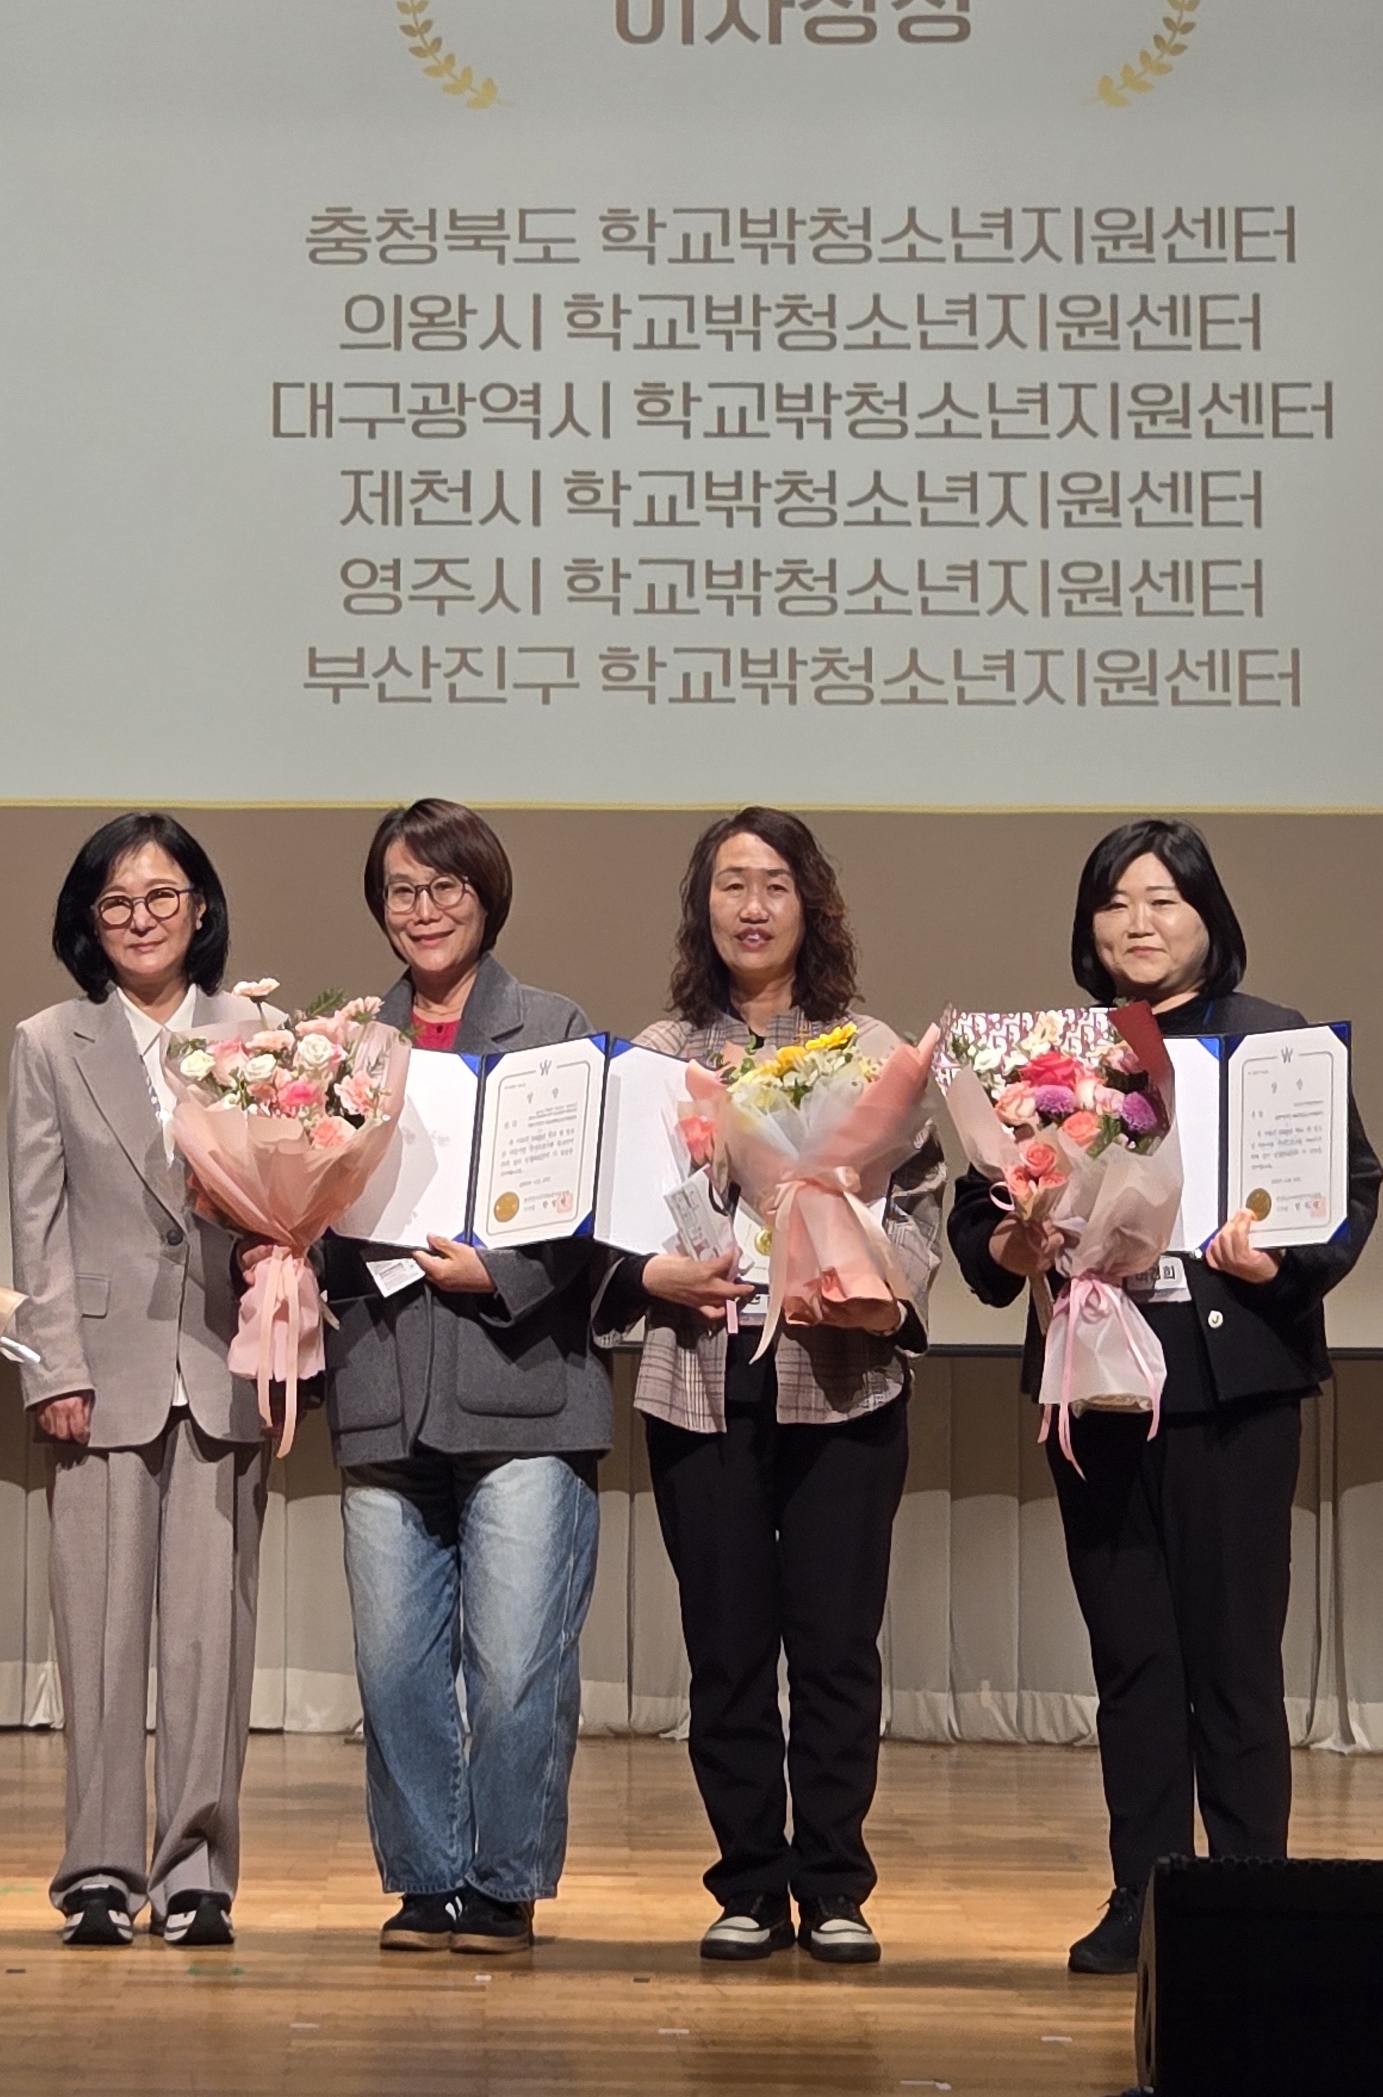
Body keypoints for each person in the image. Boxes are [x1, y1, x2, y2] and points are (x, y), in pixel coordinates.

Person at [949, 816, 1383, 1976]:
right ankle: (1142, 1895)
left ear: (1207, 916)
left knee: (1234, 1660)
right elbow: (977, 1213)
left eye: (1161, 901)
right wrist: (1011, 1243)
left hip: (1234, 1386)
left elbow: (1350, 1188)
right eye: (1114, 903)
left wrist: (1279, 1263)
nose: (1136, 923)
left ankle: (1248, 1899)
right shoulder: (1050, 1056)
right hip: (1093, 1386)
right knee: (1133, 1662)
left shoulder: (1274, 1041)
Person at [596, 808, 941, 1967]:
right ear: (702, 908)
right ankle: (748, 1879)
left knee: (837, 1645)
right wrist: (654, 1274)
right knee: (727, 1647)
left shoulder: (866, 1047)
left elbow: (922, 1202)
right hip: (701, 1377)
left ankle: (834, 1882)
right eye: (731, 884)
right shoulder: (656, 1057)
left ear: (811, 904)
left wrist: (878, 1285)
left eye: (774, 884)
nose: (751, 906)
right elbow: (613, 1220)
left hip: (842, 1377)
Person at [318, 799, 609, 1959]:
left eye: (446, 887)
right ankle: (424, 1876)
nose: (424, 909)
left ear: (486, 898)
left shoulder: (554, 1028)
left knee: (515, 1663)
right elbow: (312, 1202)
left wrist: (507, 1271)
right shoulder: (344, 1044)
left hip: (523, 1384)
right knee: (393, 1663)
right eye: (402, 889)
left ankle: (502, 1880)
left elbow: (595, 1206)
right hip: (383, 1383)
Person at [5, 812, 268, 1949]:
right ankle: (101, 1872)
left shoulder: (262, 1034)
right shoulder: (47, 1040)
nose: (142, 919)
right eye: (117, 903)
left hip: (222, 1363)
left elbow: (290, 1206)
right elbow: (37, 1218)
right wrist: (51, 1367)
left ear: (199, 910)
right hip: (99, 1371)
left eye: (163, 897)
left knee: (212, 1640)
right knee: (100, 1637)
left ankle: (199, 1871)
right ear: (88, 922)